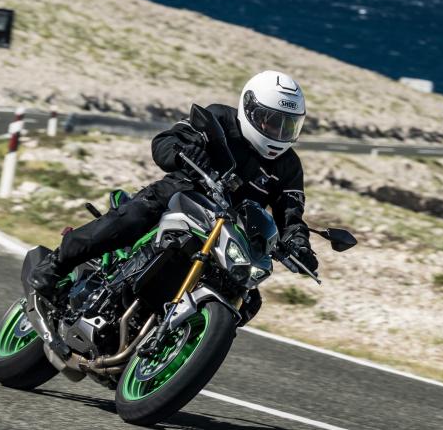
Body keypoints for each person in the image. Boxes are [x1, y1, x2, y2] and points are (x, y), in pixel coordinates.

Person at [29, 70, 318, 325]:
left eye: (288, 126)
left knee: (249, 300)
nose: (278, 132)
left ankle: (178, 340)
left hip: (229, 233)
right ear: (250, 108)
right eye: (271, 122)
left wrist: (299, 243)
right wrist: (183, 153)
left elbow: (291, 213)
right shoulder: (219, 119)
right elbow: (166, 141)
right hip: (182, 197)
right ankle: (56, 265)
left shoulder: (289, 166)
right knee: (136, 216)